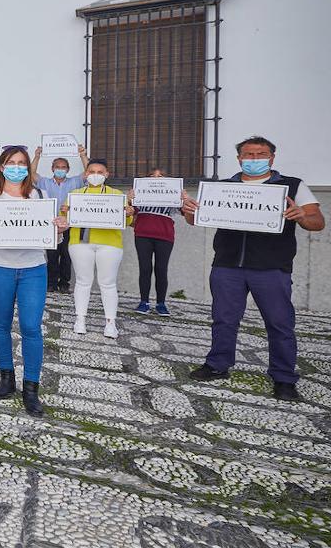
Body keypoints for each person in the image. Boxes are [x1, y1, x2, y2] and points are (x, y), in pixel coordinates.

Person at [184, 136, 325, 402]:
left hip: (271, 267)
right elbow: (196, 219)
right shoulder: (223, 187)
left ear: (272, 157)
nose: (254, 159)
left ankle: (283, 378)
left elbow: (318, 222)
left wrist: (302, 216)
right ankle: (218, 364)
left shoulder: (292, 186)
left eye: (260, 154)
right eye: (248, 155)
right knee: (224, 319)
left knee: (280, 323)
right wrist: (188, 211)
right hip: (227, 264)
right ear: (239, 159)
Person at [0, 146, 69, 418]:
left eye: (21, 163)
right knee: (0, 324)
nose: (16, 167)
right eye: (11, 162)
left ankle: (31, 388)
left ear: (28, 167)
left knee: (31, 327)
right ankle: (7, 377)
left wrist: (59, 229)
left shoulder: (40, 195)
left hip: (33, 268)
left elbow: (53, 240)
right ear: (2, 167)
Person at [68, 159, 134, 338]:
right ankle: (80, 320)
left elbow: (127, 222)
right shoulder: (75, 193)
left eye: (99, 172)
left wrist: (129, 212)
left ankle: (110, 323)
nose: (95, 175)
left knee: (108, 283)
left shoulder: (116, 194)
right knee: (83, 282)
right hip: (80, 243)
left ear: (106, 174)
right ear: (85, 174)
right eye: (91, 171)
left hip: (110, 244)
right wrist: (64, 211)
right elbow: (66, 219)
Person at [32, 145, 90, 293]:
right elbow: (31, 174)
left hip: (70, 225)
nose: (60, 169)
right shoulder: (44, 182)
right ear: (52, 168)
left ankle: (64, 283)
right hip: (50, 225)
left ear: (68, 169)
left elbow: (89, 173)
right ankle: (51, 283)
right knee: (51, 255)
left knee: (67, 255)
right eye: (57, 167)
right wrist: (37, 156)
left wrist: (82, 155)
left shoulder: (75, 182)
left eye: (63, 167)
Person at [131, 168, 178, 316]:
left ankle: (161, 303)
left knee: (161, 269)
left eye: (161, 176)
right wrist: (129, 199)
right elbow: (130, 215)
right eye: (152, 175)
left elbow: (186, 211)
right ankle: (144, 302)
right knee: (144, 268)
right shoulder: (139, 193)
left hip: (165, 236)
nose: (156, 178)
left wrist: (184, 197)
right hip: (142, 234)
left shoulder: (173, 193)